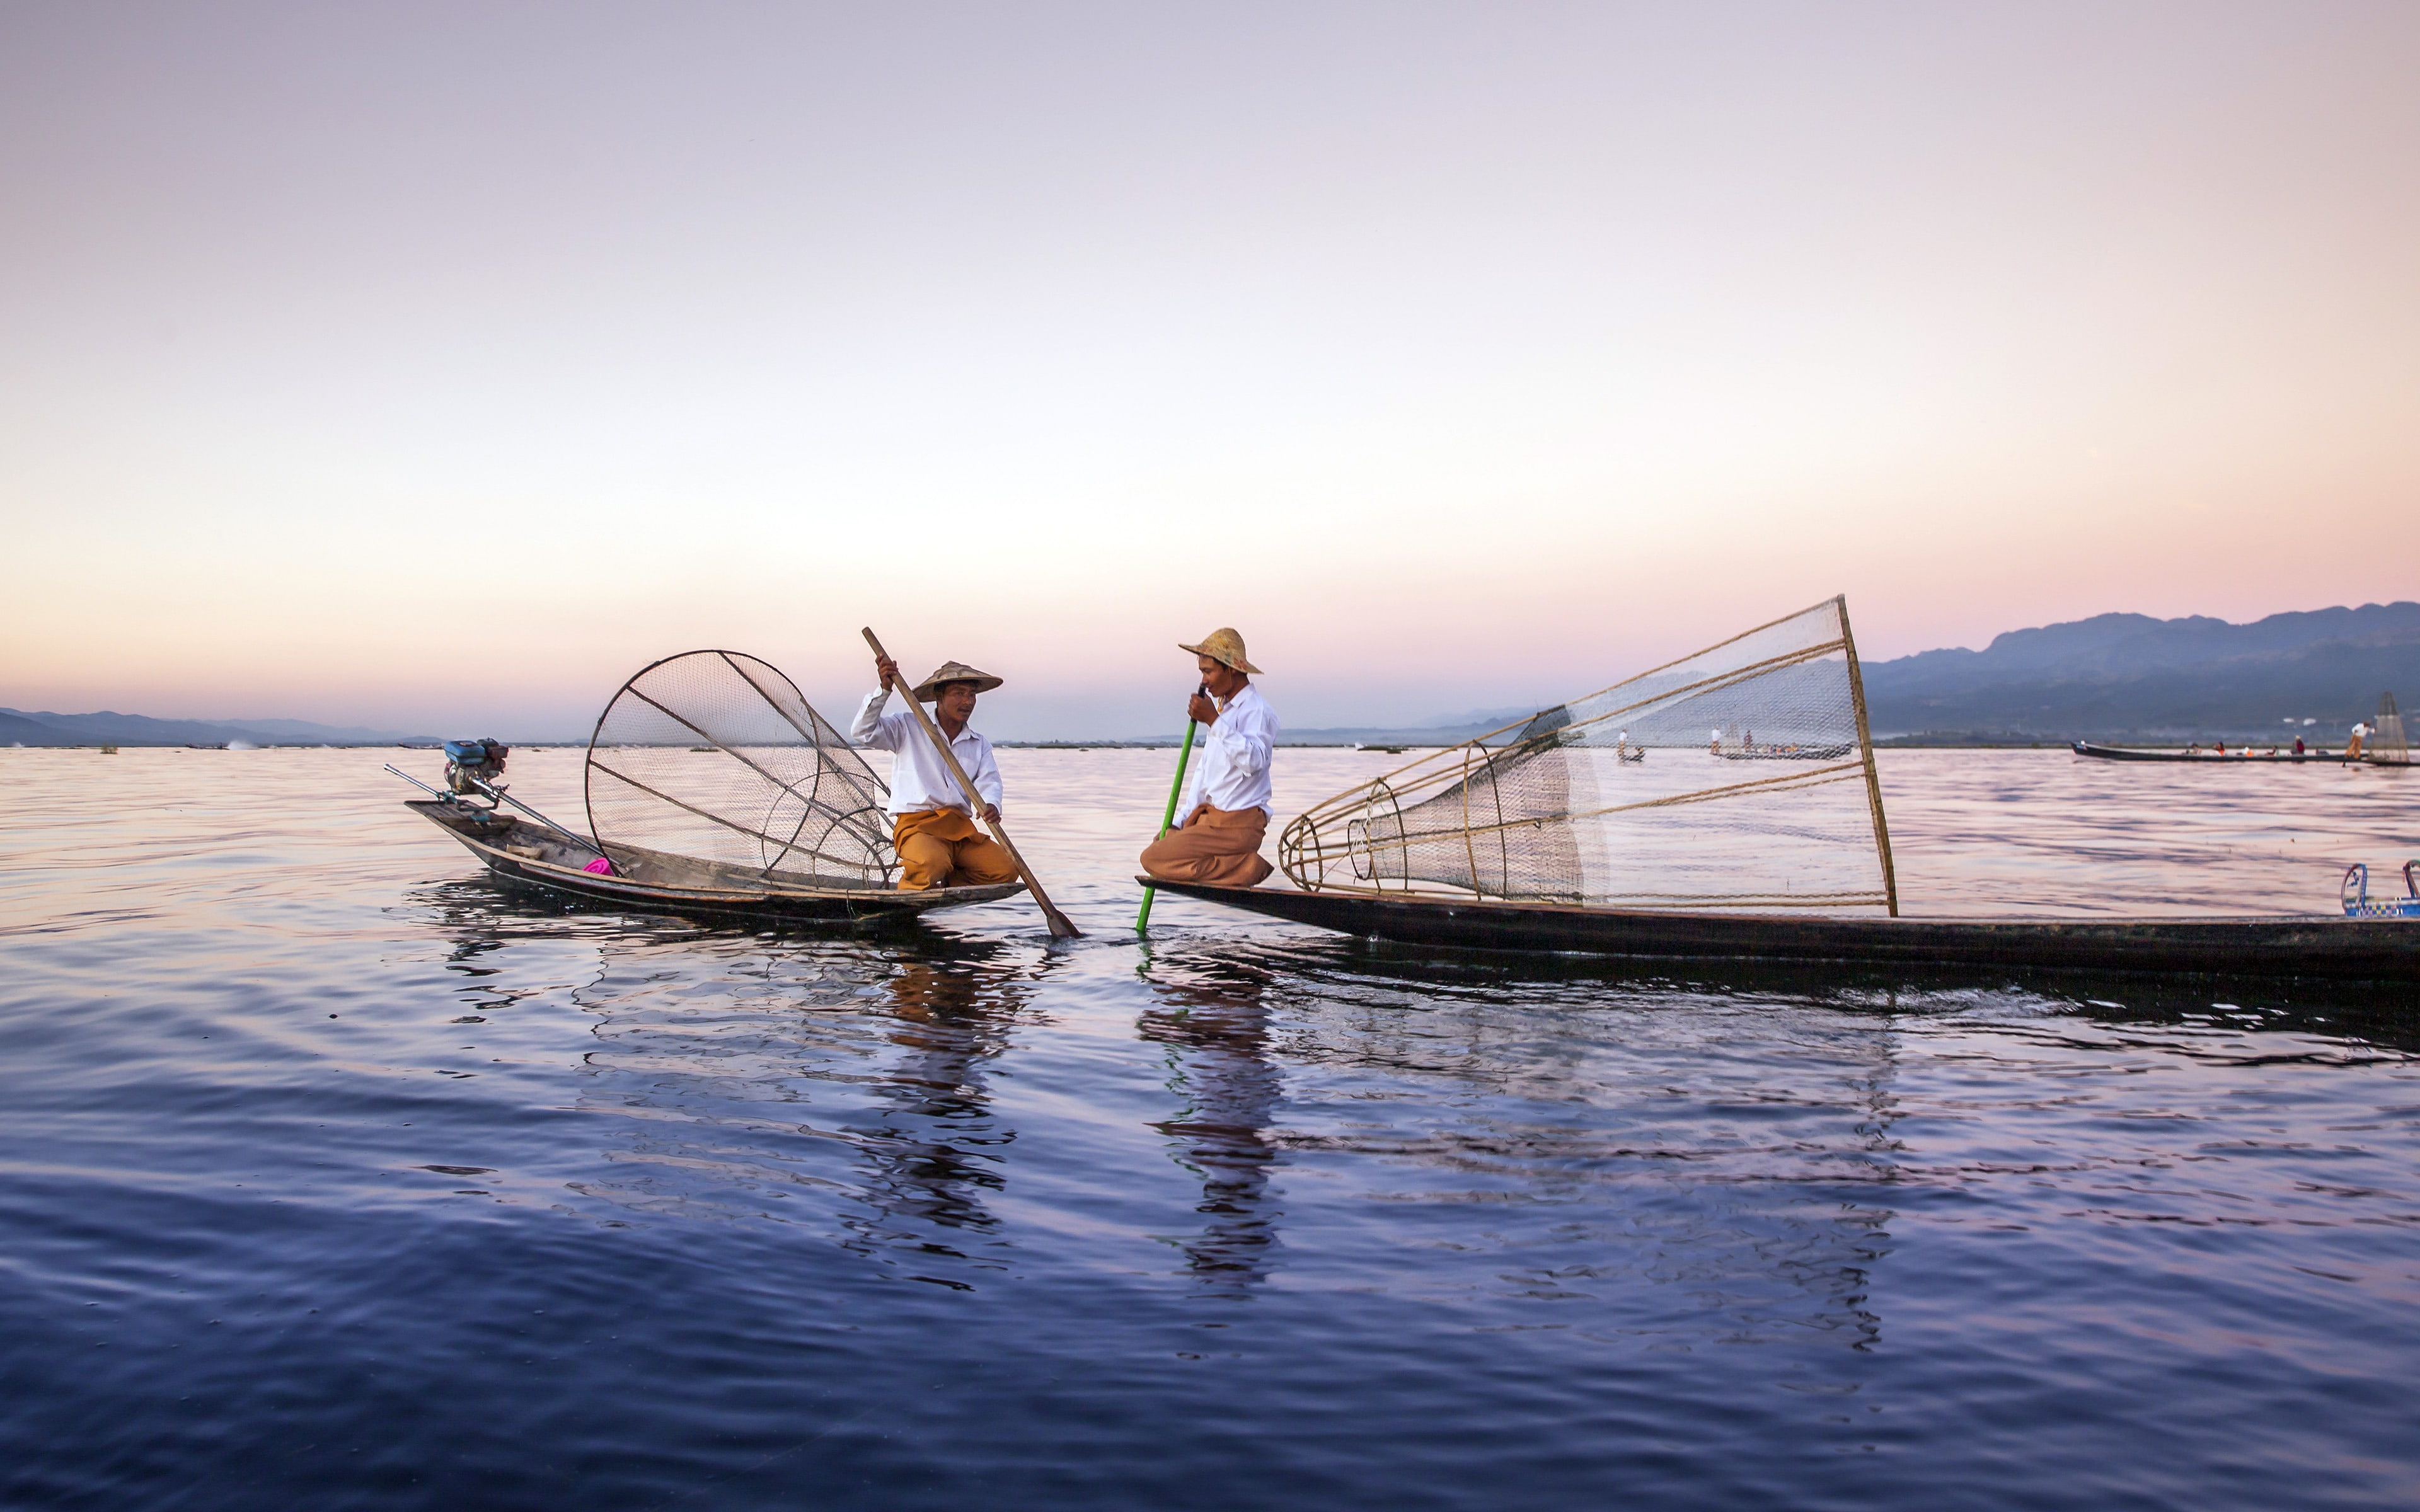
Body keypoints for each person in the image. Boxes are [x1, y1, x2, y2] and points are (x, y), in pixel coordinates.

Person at [852, 654, 1019, 891]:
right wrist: (884, 690)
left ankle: (948, 879)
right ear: (939, 697)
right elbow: (863, 732)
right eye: (959, 693)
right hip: (918, 827)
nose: (968, 702)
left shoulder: (978, 743)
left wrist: (991, 804)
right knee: (932, 864)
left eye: (971, 694)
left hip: (959, 829)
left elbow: (989, 781)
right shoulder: (908, 726)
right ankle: (912, 889)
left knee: (1006, 869)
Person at [1140, 627, 1277, 888]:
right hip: (1211, 821)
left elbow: (1254, 762)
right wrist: (1179, 823)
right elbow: (1204, 778)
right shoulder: (1224, 714)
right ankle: (1233, 865)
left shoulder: (1256, 711)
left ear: (1231, 669)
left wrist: (1213, 720)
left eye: (1208, 672)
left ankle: (1244, 868)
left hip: (1239, 824)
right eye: (1202, 672)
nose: (1203, 681)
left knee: (1151, 859)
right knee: (1161, 846)